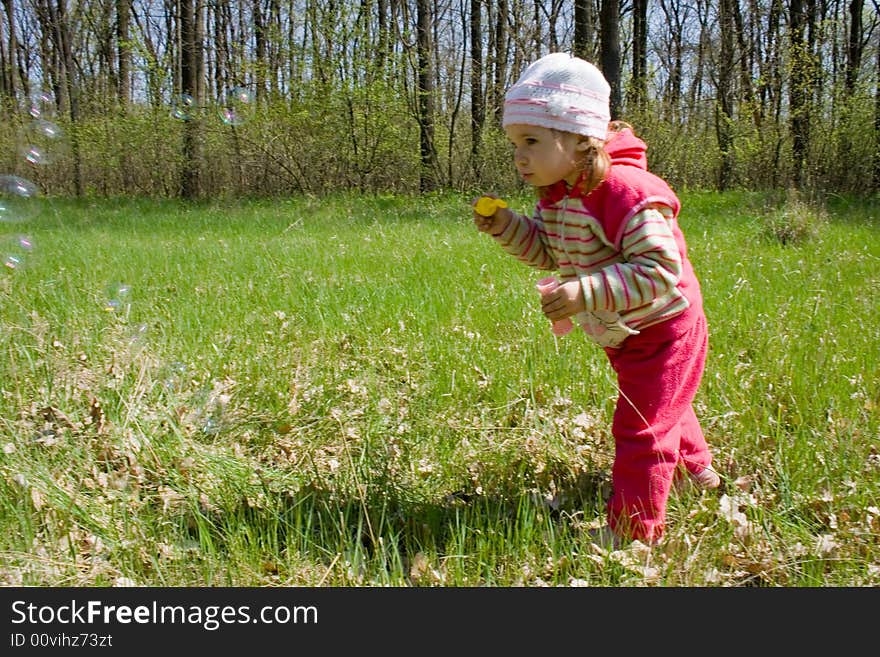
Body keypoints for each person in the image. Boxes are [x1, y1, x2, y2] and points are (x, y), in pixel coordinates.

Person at [472, 52, 720, 546]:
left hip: (665, 327)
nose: (520, 156)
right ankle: (700, 471)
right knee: (658, 402)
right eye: (515, 144)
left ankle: (634, 534)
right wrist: (509, 227)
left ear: (580, 139)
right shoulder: (559, 193)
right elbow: (548, 251)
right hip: (625, 329)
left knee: (642, 426)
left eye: (532, 142)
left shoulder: (627, 193)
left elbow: (660, 271)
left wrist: (582, 292)